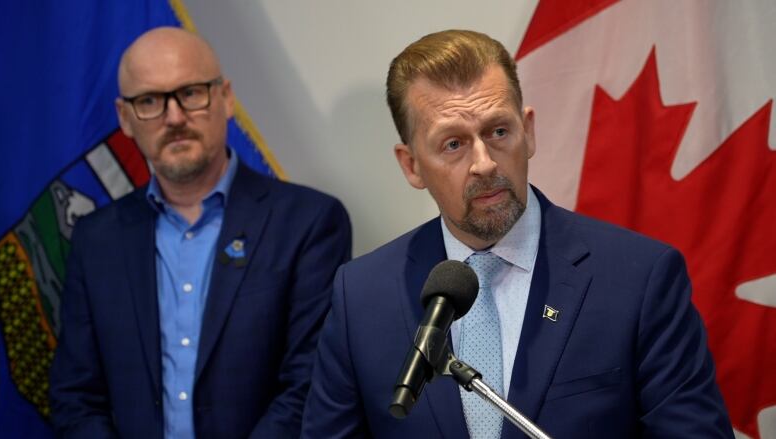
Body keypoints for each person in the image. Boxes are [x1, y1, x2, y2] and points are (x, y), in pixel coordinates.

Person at [302, 29, 733, 438]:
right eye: (453, 144)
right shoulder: (359, 296)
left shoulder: (640, 280)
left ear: (527, 132)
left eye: (498, 131)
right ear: (411, 165)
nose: (485, 163)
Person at [50, 27, 351, 438]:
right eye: (150, 101)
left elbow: (310, 386)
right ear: (125, 118)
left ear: (225, 97)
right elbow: (76, 397)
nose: (174, 118)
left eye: (191, 92)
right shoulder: (95, 239)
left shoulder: (309, 223)